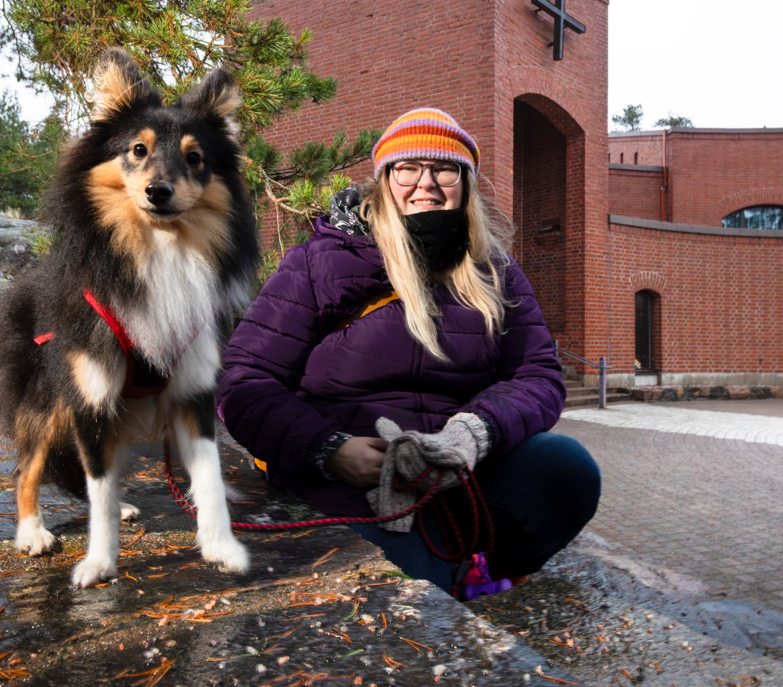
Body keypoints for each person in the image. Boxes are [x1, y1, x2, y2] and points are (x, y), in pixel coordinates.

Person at [217, 107, 600, 597]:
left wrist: (473, 433)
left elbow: (538, 375)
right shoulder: (318, 261)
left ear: (465, 183)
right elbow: (244, 378)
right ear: (384, 180)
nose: (427, 184)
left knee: (566, 469)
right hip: (351, 478)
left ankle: (483, 566)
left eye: (444, 169)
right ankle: (445, 569)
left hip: (456, 468)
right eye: (408, 168)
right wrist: (329, 450)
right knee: (412, 597)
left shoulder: (495, 271)